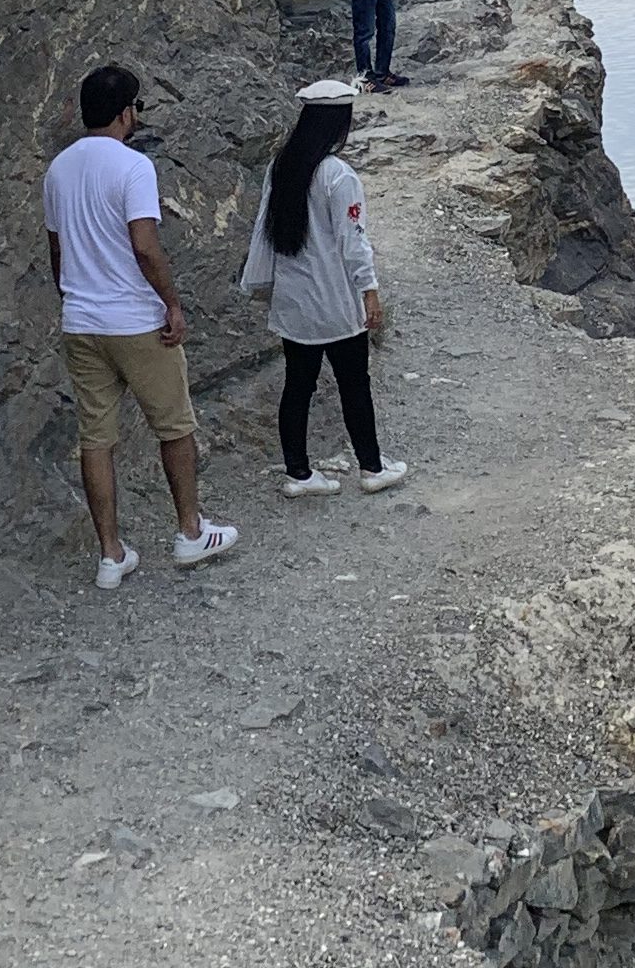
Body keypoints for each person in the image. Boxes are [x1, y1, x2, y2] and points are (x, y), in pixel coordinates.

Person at [41, 62, 238, 589]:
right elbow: (145, 247)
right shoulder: (134, 168)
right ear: (127, 112)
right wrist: (171, 304)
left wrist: (73, 296)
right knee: (174, 425)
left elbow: (56, 250)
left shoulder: (58, 169)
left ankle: (110, 553)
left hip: (81, 320)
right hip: (134, 319)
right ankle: (190, 530)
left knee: (96, 438)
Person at [238, 79, 409, 497]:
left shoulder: (283, 166)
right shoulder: (339, 176)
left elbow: (265, 231)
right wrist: (369, 290)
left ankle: (298, 471)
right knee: (355, 383)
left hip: (295, 302)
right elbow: (354, 240)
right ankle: (371, 466)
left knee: (298, 384)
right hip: (334, 301)